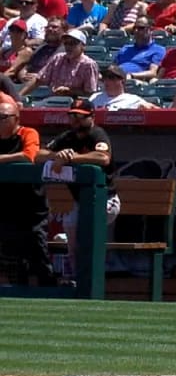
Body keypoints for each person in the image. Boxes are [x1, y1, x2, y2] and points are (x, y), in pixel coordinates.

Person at [35, 98, 119, 274]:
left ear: (92, 117)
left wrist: (70, 158)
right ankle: (77, 278)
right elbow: (39, 154)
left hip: (106, 200)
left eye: (81, 116)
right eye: (73, 116)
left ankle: (94, 276)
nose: (76, 120)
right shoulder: (67, 137)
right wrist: (58, 155)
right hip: (79, 202)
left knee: (83, 231)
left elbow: (103, 158)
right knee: (72, 241)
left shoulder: (97, 134)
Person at [0, 101, 54, 285]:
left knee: (38, 252)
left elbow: (29, 155)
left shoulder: (27, 133)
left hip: (32, 206)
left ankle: (49, 292)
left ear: (16, 119)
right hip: (6, 205)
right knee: (12, 257)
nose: (0, 121)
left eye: (3, 118)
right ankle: (18, 293)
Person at [90, 65, 158, 110]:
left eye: (111, 77)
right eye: (105, 78)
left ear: (122, 81)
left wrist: (146, 108)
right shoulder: (95, 97)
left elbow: (157, 110)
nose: (107, 81)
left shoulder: (134, 100)